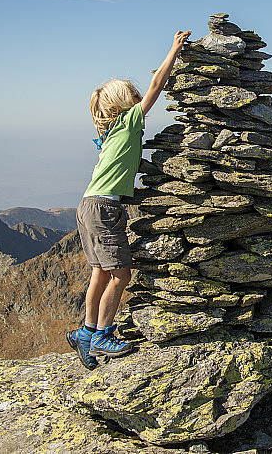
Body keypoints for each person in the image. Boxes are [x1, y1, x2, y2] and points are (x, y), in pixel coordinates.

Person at [66, 30, 191, 369]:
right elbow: (157, 86)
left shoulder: (109, 132)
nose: (140, 98)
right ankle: (103, 335)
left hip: (88, 205)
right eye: (133, 95)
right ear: (125, 103)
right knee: (121, 275)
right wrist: (174, 50)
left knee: (100, 272)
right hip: (104, 209)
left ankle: (85, 333)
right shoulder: (128, 121)